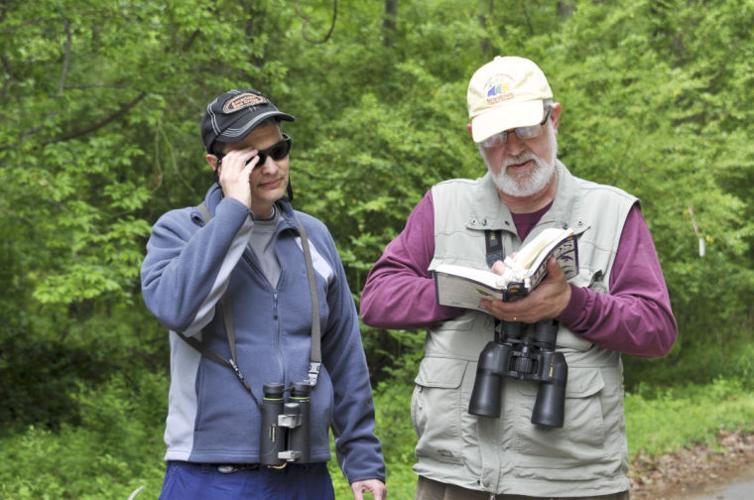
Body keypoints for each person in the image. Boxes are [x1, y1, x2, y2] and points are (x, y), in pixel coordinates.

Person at [360, 56, 678, 499]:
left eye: (526, 129)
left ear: (555, 118)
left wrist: (571, 304)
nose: (513, 148)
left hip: (575, 482)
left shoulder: (612, 212)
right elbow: (376, 298)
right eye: (495, 136)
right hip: (455, 476)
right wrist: (470, 293)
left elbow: (657, 329)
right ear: (475, 137)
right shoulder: (443, 205)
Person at [141, 89, 386, 500]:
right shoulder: (181, 231)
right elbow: (175, 307)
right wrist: (233, 210)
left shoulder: (314, 237)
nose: (271, 167)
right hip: (208, 472)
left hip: (305, 474)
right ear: (217, 165)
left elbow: (345, 355)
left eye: (279, 150)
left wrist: (362, 460)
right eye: (252, 157)